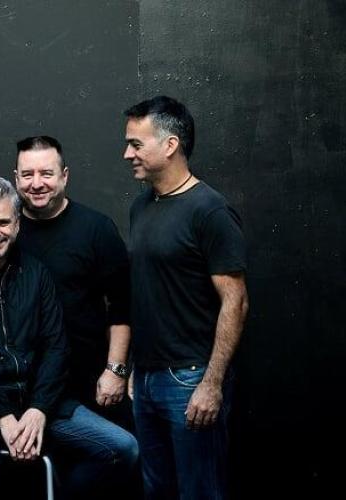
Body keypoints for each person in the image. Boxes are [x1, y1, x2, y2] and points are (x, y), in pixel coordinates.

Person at [0, 177, 138, 500]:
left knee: (124, 448)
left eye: (3, 222)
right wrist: (3, 414)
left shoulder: (35, 272)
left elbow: (56, 346)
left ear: (17, 225)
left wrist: (39, 408)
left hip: (37, 399)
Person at [123, 96, 249, 500]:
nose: (127, 154)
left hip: (190, 378)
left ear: (170, 145)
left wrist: (211, 383)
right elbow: (147, 292)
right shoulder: (141, 207)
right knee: (156, 490)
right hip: (146, 378)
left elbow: (236, 302)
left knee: (199, 492)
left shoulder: (210, 211)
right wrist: (135, 369)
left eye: (136, 144)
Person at [14, 135, 134, 420]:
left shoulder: (96, 229)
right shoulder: (4, 231)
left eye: (46, 173)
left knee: (118, 444)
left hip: (90, 381)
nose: (36, 183)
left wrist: (116, 370)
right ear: (16, 179)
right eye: (27, 175)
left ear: (64, 176)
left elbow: (123, 307)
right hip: (23, 387)